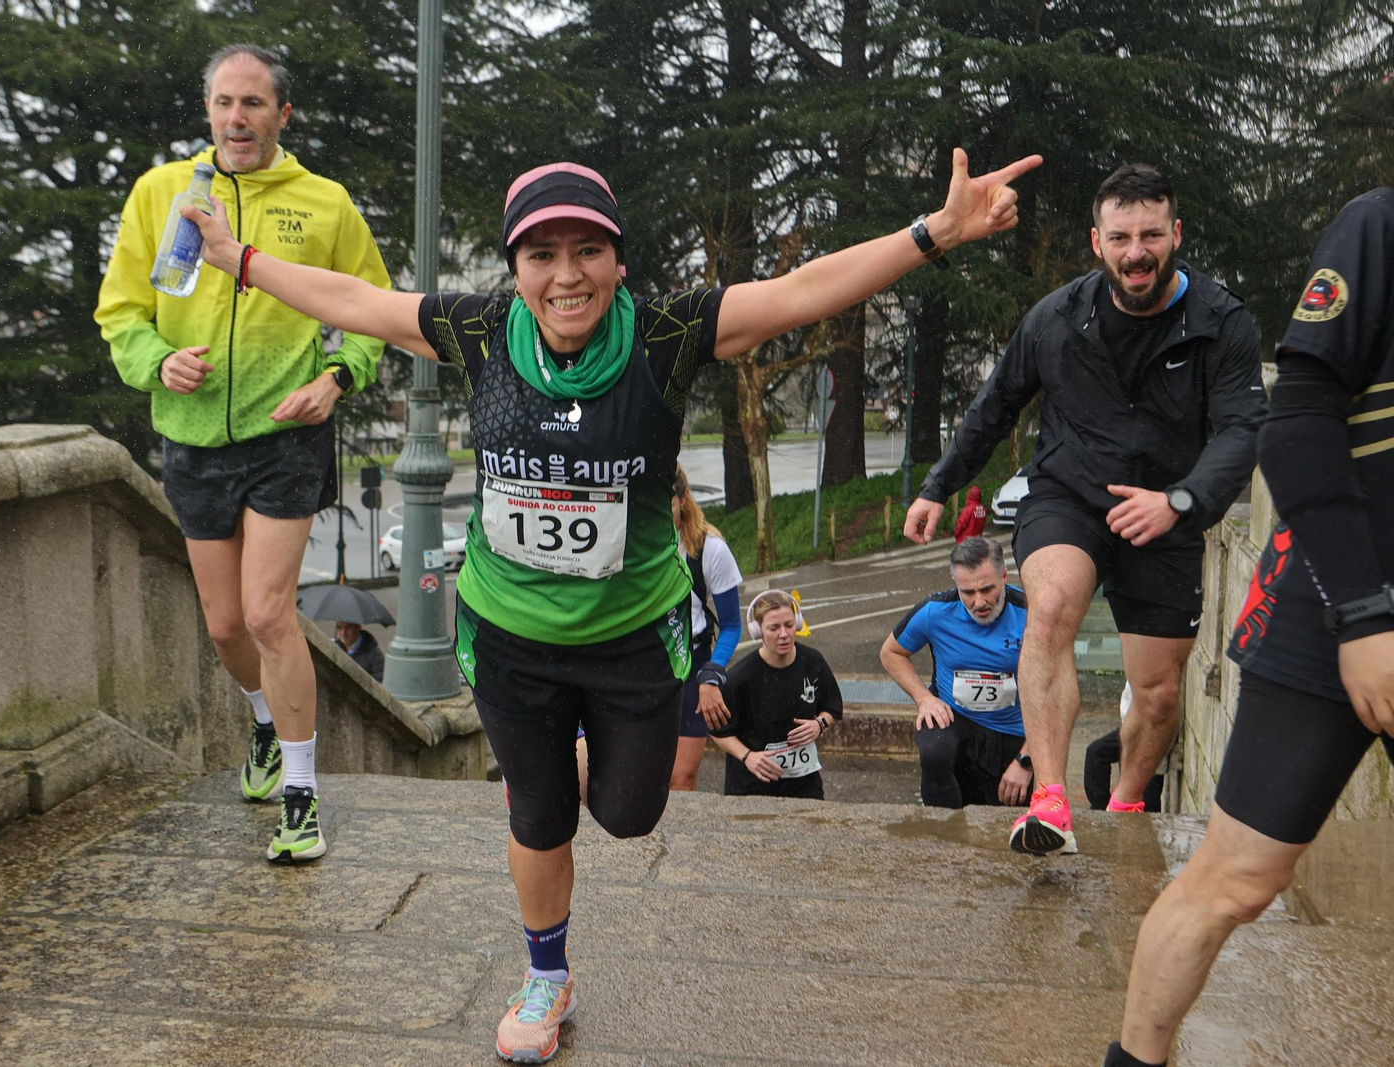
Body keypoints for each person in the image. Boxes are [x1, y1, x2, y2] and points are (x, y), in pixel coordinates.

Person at [177, 147, 1041, 1064]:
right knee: (538, 813)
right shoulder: (479, 330)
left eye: (585, 249)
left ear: (617, 259)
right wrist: (235, 259)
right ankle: (546, 973)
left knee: (630, 814)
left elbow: (803, 290)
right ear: (515, 270)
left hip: (632, 637)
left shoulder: (666, 333)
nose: (564, 275)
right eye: (539, 254)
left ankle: (573, 754)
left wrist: (936, 232)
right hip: (508, 635)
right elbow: (353, 302)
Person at [1102, 189, 1394, 1067]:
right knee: (1237, 880)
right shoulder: (1378, 225)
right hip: (1336, 599)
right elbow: (1296, 428)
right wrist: (1364, 615)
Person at [903, 163, 1266, 856]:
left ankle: (1127, 800)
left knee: (1158, 694)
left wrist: (1181, 501)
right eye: (1121, 236)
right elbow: (994, 406)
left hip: (1169, 511)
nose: (1137, 252)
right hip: (1069, 496)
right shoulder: (1056, 318)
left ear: (1176, 233)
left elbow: (1242, 430)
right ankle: (1050, 797)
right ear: (1096, 242)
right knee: (1050, 608)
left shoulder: (1223, 323)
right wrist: (936, 485)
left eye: (1151, 234)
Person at [95, 43, 392, 864]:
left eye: (254, 103)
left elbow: (371, 309)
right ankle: (265, 725)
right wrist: (158, 361)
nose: (237, 118)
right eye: (224, 102)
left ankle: (301, 795)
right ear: (208, 110)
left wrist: (337, 377)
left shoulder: (322, 204)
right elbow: (119, 310)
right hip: (190, 436)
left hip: (286, 433)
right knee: (225, 623)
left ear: (282, 114)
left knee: (268, 612)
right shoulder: (161, 193)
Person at [880, 537, 1032, 808]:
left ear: (1005, 575)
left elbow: (1057, 689)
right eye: (967, 593)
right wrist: (924, 698)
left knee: (1014, 809)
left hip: (1017, 728)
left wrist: (1027, 759)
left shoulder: (1030, 612)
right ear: (954, 581)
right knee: (934, 752)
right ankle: (941, 836)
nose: (979, 602)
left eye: (987, 589)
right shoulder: (935, 612)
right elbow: (891, 653)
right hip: (956, 717)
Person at [710, 591, 843, 799]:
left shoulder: (813, 662)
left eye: (789, 625)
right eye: (774, 628)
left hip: (805, 783)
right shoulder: (740, 677)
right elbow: (717, 729)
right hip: (752, 786)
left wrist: (819, 724)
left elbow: (833, 706)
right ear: (758, 631)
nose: (784, 634)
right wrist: (748, 757)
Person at [669, 468, 743, 791]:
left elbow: (731, 626)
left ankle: (676, 841)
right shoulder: (626, 539)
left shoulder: (708, 548)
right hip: (641, 665)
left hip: (693, 663)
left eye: (664, 503)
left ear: (683, 498)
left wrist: (712, 674)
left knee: (681, 777)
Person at [1083, 682, 1165, 812]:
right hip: (1130, 727)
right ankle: (1101, 808)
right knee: (1096, 752)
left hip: (1152, 731)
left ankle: (1148, 821)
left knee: (1147, 780)